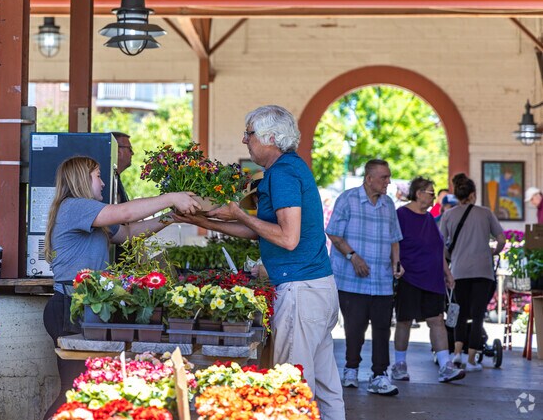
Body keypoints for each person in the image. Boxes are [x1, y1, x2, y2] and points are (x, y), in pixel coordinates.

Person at [173, 105, 345, 420]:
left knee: (290, 387)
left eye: (249, 134)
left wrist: (238, 212)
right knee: (324, 384)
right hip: (315, 287)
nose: (244, 140)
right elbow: (260, 232)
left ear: (269, 137)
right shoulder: (288, 169)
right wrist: (206, 220)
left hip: (300, 290)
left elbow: (287, 237)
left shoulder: (282, 172)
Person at [42, 156, 201, 420]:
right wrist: (171, 197)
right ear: (82, 179)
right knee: (74, 390)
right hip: (69, 309)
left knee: (88, 389)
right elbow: (126, 213)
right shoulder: (74, 207)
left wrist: (170, 218)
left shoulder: (92, 215)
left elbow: (127, 233)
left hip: (85, 307)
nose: (103, 183)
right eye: (98, 176)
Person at [326, 159, 403, 397]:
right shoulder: (347, 199)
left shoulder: (388, 204)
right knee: (354, 328)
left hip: (381, 279)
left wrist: (396, 264)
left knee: (382, 329)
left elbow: (394, 238)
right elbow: (334, 233)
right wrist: (353, 257)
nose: (388, 181)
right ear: (369, 178)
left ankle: (380, 375)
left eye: (388, 177)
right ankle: (351, 368)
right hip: (351, 278)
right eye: (384, 177)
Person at [390, 177, 465, 384]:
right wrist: (396, 263)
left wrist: (447, 273)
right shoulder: (401, 215)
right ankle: (399, 365)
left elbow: (437, 248)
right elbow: (393, 243)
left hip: (433, 278)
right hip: (410, 277)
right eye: (431, 193)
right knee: (404, 321)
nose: (434, 198)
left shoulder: (430, 219)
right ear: (419, 192)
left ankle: (445, 366)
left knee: (437, 321)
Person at [440, 173, 505, 372]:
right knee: (477, 316)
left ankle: (457, 353)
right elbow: (502, 239)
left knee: (459, 314)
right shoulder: (485, 213)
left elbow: (440, 245)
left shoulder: (448, 215)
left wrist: (448, 262)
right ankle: (471, 360)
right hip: (483, 271)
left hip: (459, 271)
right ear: (473, 194)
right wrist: (493, 252)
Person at [111, 131, 133, 204]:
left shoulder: (115, 176)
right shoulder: (107, 180)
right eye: (129, 149)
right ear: (117, 151)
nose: (132, 153)